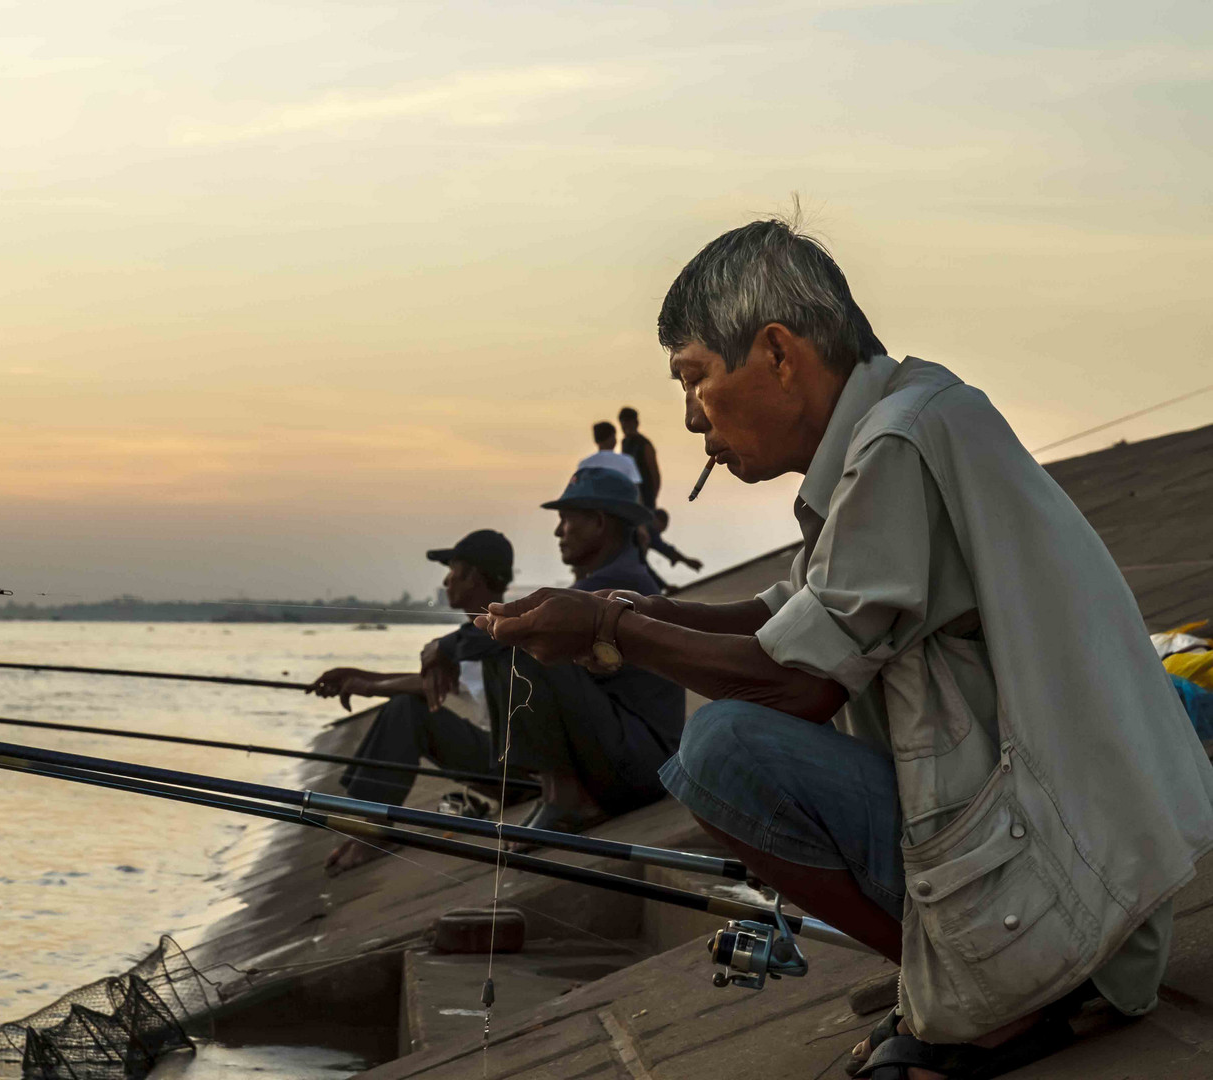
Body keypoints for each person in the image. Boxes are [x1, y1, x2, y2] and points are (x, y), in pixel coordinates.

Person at [477, 217, 1213, 1080]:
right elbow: (789, 615)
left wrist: (609, 630)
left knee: (724, 751)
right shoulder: (909, 418)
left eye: (696, 378)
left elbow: (797, 682)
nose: (690, 417)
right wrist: (622, 608)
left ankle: (1010, 1001)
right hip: (1091, 870)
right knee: (731, 739)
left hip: (1077, 885)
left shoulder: (898, 442)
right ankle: (966, 979)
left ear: (778, 355)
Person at [455, 467, 684, 835]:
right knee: (510, 638)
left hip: (642, 766)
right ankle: (553, 793)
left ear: (597, 522)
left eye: (566, 520)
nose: (558, 532)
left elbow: (481, 638)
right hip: (621, 754)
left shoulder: (621, 582)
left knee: (528, 637)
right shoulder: (603, 581)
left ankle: (564, 798)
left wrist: (445, 646)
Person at [309, 529, 512, 874]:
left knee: (405, 711)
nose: (446, 582)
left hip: (518, 769)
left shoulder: (495, 633)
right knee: (406, 707)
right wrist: (357, 678)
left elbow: (425, 688)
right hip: (505, 764)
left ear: (473, 576)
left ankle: (373, 831)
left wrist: (366, 685)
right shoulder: (473, 640)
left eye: (452, 572)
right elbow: (431, 683)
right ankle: (368, 827)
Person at [617, 406, 661, 507]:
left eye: (628, 422)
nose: (625, 426)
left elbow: (654, 472)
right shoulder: (625, 442)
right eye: (623, 423)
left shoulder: (644, 444)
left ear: (635, 423)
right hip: (630, 494)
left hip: (644, 494)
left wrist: (652, 496)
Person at [577, 421, 643, 485]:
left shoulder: (584, 464)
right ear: (613, 438)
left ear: (596, 440)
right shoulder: (627, 461)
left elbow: (579, 487)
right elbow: (635, 486)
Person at [644, 507, 702, 576]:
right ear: (659, 521)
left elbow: (663, 547)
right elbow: (662, 547)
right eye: (660, 531)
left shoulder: (645, 517)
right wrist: (687, 561)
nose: (658, 534)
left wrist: (685, 560)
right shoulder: (650, 528)